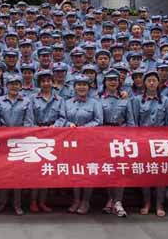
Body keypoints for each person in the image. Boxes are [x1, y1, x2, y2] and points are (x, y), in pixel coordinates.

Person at [130, 70, 168, 217]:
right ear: (144, 83)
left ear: (159, 83)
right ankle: (147, 202)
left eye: (154, 80)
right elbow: (134, 122)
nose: (152, 83)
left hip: (161, 142)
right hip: (143, 141)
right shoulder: (137, 100)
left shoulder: (165, 100)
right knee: (146, 173)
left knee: (160, 174)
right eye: (149, 80)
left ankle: (159, 204)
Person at [0, 73, 34, 215]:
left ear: (20, 86)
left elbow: (29, 122)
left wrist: (20, 136)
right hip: (3, 141)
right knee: (3, 173)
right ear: (7, 86)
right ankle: (2, 202)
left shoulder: (26, 101)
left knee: (17, 174)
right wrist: (2, 134)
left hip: (20, 141)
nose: (14, 86)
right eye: (11, 84)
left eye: (16, 84)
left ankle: (17, 204)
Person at [63, 74, 102, 215]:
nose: (81, 87)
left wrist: (84, 128)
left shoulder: (95, 103)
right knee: (75, 170)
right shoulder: (67, 103)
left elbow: (98, 121)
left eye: (84, 85)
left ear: (89, 87)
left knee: (88, 171)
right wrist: (69, 124)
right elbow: (62, 118)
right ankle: (76, 199)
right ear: (74, 87)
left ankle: (86, 200)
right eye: (79, 84)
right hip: (72, 142)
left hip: (89, 142)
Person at [99, 69, 134, 217]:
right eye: (109, 80)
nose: (112, 82)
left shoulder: (125, 99)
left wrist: (131, 138)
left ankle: (118, 201)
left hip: (121, 136)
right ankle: (111, 199)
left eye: (115, 80)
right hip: (105, 136)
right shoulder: (99, 99)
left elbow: (130, 121)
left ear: (119, 82)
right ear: (105, 82)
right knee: (108, 169)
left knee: (120, 169)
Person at [30, 69, 66, 213]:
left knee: (47, 170)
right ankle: (33, 201)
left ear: (53, 82)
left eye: (48, 81)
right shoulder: (32, 98)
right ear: (39, 83)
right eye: (43, 81)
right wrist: (37, 129)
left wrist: (54, 127)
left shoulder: (59, 99)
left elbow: (62, 117)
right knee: (35, 172)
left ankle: (42, 201)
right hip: (36, 136)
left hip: (53, 136)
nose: (46, 83)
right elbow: (29, 117)